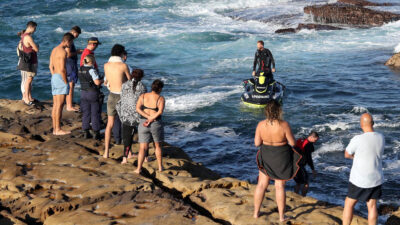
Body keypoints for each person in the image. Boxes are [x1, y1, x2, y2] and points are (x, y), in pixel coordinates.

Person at [253, 100, 301, 222]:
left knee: (262, 184)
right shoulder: (284, 125)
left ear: (266, 111)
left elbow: (257, 143)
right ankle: (281, 217)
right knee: (279, 186)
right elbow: (293, 143)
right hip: (282, 156)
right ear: (279, 110)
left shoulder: (260, 125)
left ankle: (256, 213)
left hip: (267, 155)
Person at [342, 113, 385, 225]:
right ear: (373, 123)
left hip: (360, 179)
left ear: (361, 124)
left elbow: (347, 154)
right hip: (376, 178)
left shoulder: (358, 138)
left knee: (349, 203)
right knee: (372, 206)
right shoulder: (381, 137)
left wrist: (354, 157)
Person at [103, 44, 132, 158]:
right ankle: (128, 153)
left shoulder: (106, 65)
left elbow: (107, 80)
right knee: (126, 125)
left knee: (109, 125)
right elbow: (130, 81)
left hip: (111, 96)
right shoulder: (123, 66)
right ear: (121, 53)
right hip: (122, 96)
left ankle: (106, 152)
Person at [116, 69, 147, 164]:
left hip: (124, 114)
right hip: (136, 115)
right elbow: (143, 102)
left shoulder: (124, 85)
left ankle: (125, 158)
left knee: (127, 137)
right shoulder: (142, 87)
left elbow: (122, 97)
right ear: (141, 77)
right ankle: (145, 157)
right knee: (144, 136)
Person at [134, 79, 165, 174]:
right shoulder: (160, 98)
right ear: (159, 89)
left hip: (143, 123)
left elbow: (137, 109)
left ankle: (138, 168)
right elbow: (160, 111)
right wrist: (151, 119)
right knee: (157, 146)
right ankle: (160, 167)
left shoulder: (143, 96)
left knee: (142, 147)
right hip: (156, 123)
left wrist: (147, 118)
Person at [49, 33, 74, 135]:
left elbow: (50, 66)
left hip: (54, 77)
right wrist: (65, 81)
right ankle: (58, 129)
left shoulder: (54, 49)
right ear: (67, 41)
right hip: (60, 77)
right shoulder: (63, 52)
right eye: (71, 42)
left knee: (55, 105)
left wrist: (55, 76)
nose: (71, 44)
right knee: (59, 105)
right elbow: (63, 69)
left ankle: (55, 129)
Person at [78, 54, 103, 140]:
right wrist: (103, 80)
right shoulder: (92, 70)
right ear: (92, 61)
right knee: (95, 113)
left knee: (86, 112)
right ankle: (96, 132)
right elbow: (97, 82)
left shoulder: (80, 69)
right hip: (92, 93)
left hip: (83, 92)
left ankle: (86, 131)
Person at [17, 21, 38, 105]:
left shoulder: (22, 36)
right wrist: (36, 47)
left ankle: (29, 97)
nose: (35, 30)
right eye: (35, 28)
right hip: (31, 61)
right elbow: (36, 49)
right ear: (31, 27)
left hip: (26, 60)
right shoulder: (28, 37)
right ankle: (26, 98)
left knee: (28, 79)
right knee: (28, 79)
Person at [294, 131, 319, 196]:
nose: (315, 141)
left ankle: (295, 195)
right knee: (306, 183)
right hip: (300, 165)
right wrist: (313, 169)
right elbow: (309, 158)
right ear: (311, 137)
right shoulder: (309, 145)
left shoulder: (302, 140)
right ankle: (303, 196)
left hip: (294, 163)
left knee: (298, 182)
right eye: (315, 140)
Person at [65, 26, 82, 112]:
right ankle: (69, 105)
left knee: (70, 85)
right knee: (71, 85)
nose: (77, 36)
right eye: (77, 34)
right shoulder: (69, 42)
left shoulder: (67, 40)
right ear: (74, 32)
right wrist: (77, 52)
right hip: (70, 65)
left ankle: (69, 103)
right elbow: (68, 54)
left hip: (70, 65)